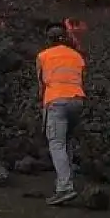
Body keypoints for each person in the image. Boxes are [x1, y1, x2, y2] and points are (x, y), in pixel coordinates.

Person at [37, 22, 87, 206]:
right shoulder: (77, 56)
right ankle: (66, 182)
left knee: (56, 143)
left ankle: (65, 188)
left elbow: (41, 87)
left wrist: (45, 115)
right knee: (66, 142)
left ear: (49, 40)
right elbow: (81, 79)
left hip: (56, 102)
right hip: (77, 100)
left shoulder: (43, 56)